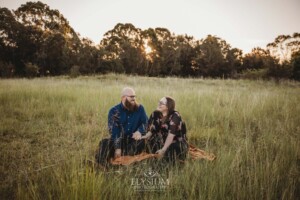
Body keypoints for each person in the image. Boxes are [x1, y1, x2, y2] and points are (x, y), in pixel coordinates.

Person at [95, 87, 148, 167]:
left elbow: (146, 123)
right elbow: (114, 131)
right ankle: (102, 166)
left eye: (134, 96)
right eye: (131, 96)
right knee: (104, 143)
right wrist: (117, 147)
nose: (134, 99)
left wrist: (139, 131)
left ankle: (118, 162)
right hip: (120, 140)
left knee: (141, 143)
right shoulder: (114, 111)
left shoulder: (140, 108)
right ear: (123, 97)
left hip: (133, 140)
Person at [142, 96, 188, 163]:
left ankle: (164, 165)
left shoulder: (175, 116)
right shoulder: (156, 113)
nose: (159, 104)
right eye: (159, 102)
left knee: (169, 154)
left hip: (175, 142)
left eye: (161, 103)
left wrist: (163, 150)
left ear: (167, 106)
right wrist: (144, 136)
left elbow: (170, 136)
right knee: (145, 146)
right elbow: (152, 130)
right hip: (161, 141)